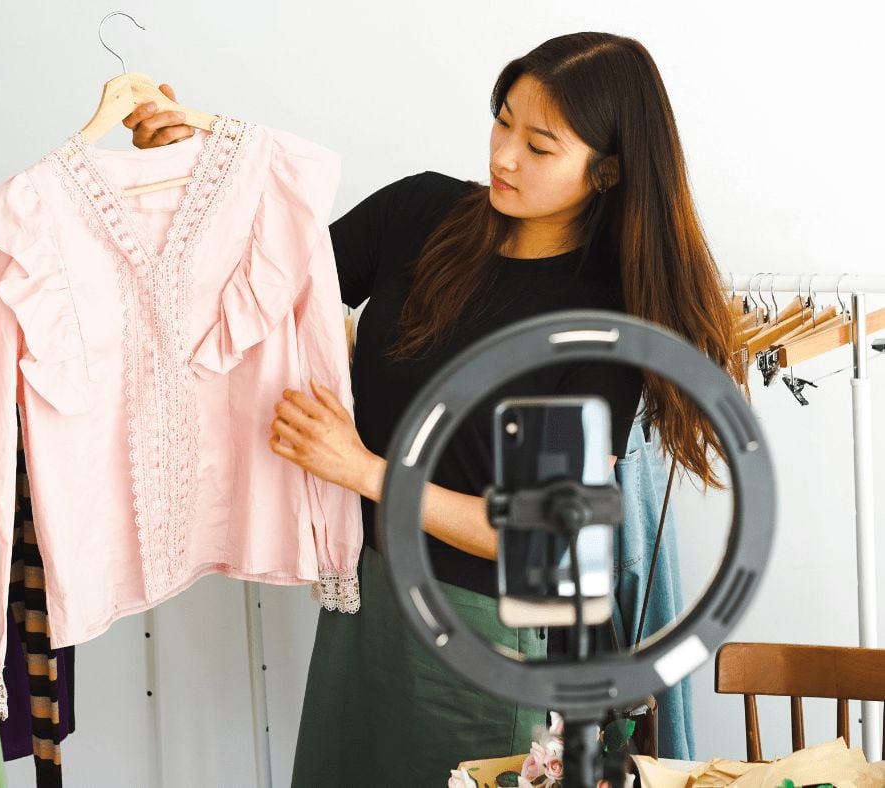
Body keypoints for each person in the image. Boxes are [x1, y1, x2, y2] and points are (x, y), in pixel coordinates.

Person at [126, 32, 741, 785]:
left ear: (605, 172)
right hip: (365, 593)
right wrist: (202, 164)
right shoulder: (422, 213)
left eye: (540, 145)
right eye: (502, 119)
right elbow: (268, 284)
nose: (504, 155)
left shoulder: (599, 321)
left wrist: (364, 469)